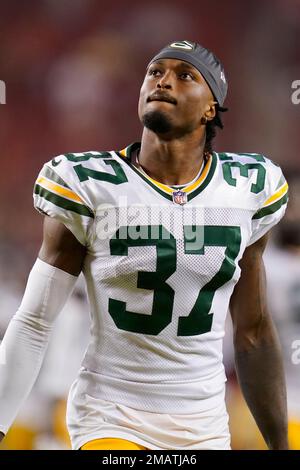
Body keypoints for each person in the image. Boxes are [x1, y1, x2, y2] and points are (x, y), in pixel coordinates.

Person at [0, 40, 289, 450]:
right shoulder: (90, 184)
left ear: (211, 108)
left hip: (203, 427)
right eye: (155, 72)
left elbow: (254, 333)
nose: (163, 81)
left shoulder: (246, 190)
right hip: (110, 416)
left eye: (184, 75)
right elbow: (34, 322)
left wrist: (280, 445)